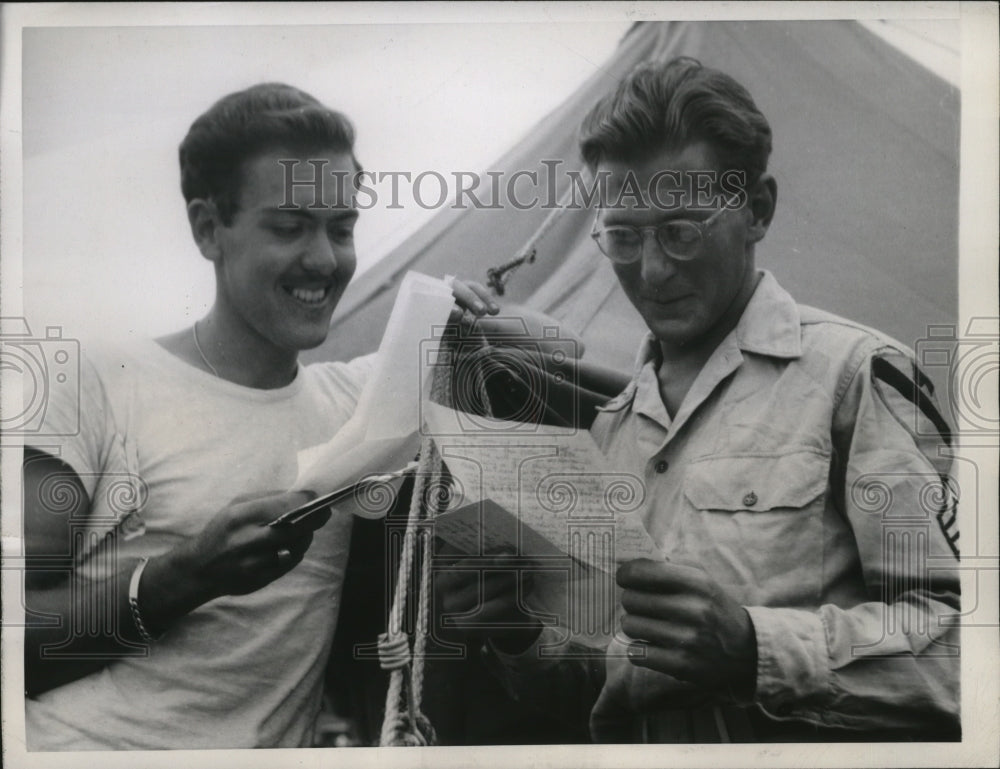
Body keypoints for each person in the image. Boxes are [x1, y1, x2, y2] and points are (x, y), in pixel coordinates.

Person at [434, 57, 961, 742]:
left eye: (683, 231)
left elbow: (962, 656)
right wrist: (516, 633)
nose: (652, 270)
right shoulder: (610, 433)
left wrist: (753, 647)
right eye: (623, 237)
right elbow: (606, 685)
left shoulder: (855, 376)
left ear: (758, 209)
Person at [20, 82, 530, 750]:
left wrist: (474, 321)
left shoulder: (361, 403)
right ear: (209, 228)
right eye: (289, 227)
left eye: (341, 228)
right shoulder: (95, 381)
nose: (323, 258)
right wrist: (185, 575)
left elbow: (537, 372)